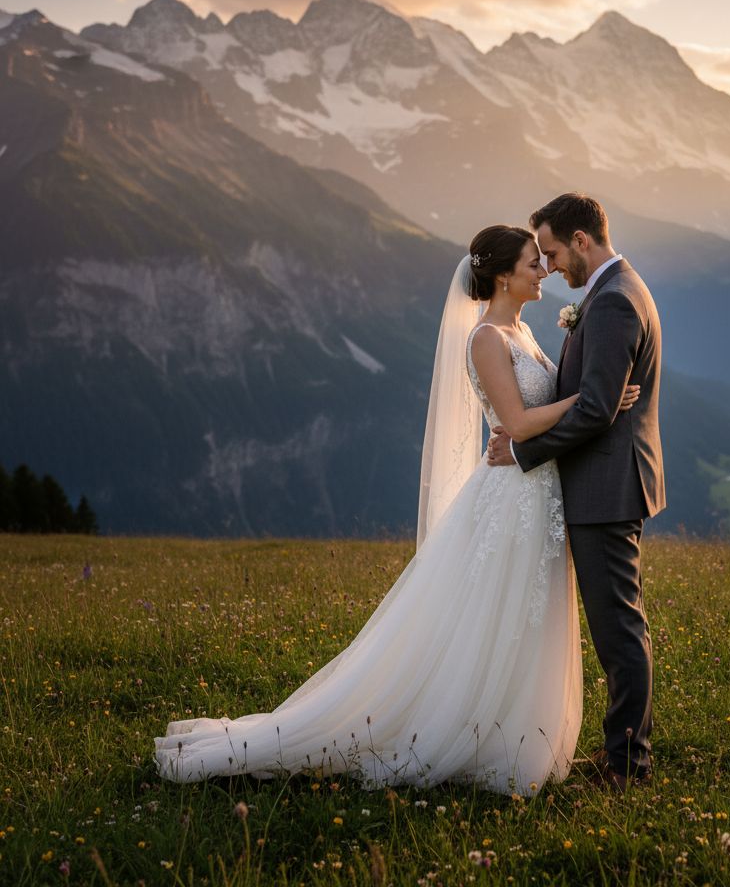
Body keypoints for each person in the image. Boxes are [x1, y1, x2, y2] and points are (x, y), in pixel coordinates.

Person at [153, 224, 640, 795]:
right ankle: (474, 736)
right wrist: (591, 400)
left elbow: (531, 418)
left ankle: (512, 733)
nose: (544, 271)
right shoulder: (486, 338)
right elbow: (521, 423)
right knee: (499, 617)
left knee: (526, 621)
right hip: (512, 499)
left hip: (536, 492)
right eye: (534, 263)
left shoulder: (522, 330)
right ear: (504, 275)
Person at [487, 192, 665, 790]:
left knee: (618, 630)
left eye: (556, 252)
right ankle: (623, 753)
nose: (552, 265)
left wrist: (520, 450)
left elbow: (594, 411)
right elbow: (594, 402)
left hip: (606, 488)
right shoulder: (616, 291)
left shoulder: (613, 302)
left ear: (583, 240)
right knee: (617, 627)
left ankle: (626, 767)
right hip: (602, 485)